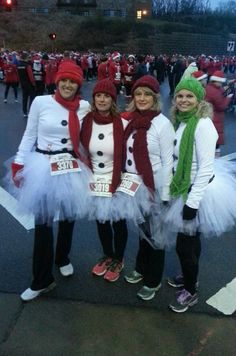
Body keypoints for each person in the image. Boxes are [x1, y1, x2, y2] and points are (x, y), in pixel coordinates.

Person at [10, 61, 91, 301]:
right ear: (57, 81)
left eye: (72, 81)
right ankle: (41, 279)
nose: (67, 85)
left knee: (68, 218)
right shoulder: (41, 102)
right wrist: (19, 162)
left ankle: (62, 256)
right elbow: (29, 134)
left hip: (71, 167)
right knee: (43, 225)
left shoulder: (84, 106)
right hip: (44, 166)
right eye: (63, 80)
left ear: (78, 84)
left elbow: (99, 129)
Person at [164, 77, 236, 313]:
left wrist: (192, 202)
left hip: (197, 192)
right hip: (184, 188)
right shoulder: (182, 121)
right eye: (180, 96)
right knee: (190, 242)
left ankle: (191, 293)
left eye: (189, 96)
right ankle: (189, 277)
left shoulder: (203, 124)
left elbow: (206, 167)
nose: (184, 100)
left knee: (184, 247)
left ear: (198, 99)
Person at [122, 75, 175, 301]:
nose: (142, 98)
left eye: (147, 94)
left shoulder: (162, 124)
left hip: (154, 186)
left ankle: (153, 280)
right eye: (138, 94)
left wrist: (163, 195)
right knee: (143, 231)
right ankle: (141, 268)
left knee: (156, 235)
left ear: (155, 98)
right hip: (134, 186)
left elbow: (168, 162)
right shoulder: (130, 120)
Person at [81, 79, 128, 282]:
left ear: (113, 99)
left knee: (118, 221)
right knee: (101, 220)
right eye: (98, 95)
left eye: (106, 96)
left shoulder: (122, 123)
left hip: (115, 179)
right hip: (95, 180)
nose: (102, 99)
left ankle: (118, 258)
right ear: (94, 98)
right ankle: (107, 254)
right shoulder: (86, 121)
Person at [205, 70, 233, 157]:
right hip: (215, 117)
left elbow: (221, 90)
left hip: (210, 115)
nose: (221, 84)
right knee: (215, 139)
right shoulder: (214, 91)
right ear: (215, 81)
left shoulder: (210, 87)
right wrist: (228, 98)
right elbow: (222, 106)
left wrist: (229, 85)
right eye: (220, 82)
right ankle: (215, 158)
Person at [17, 51, 36, 118]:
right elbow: (31, 76)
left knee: (24, 98)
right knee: (32, 97)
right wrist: (34, 84)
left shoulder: (18, 65)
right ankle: (30, 111)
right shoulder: (27, 66)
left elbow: (18, 75)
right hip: (29, 84)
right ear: (26, 58)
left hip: (23, 83)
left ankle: (24, 112)